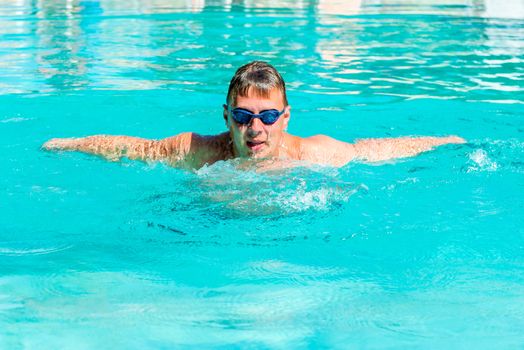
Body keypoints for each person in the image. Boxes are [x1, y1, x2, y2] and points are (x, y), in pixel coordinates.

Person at [43, 61, 465, 169]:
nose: (255, 128)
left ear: (285, 118)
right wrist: (70, 144)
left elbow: (374, 151)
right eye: (243, 115)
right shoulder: (200, 151)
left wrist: (443, 143)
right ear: (226, 116)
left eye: (267, 116)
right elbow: (131, 149)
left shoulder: (314, 155)